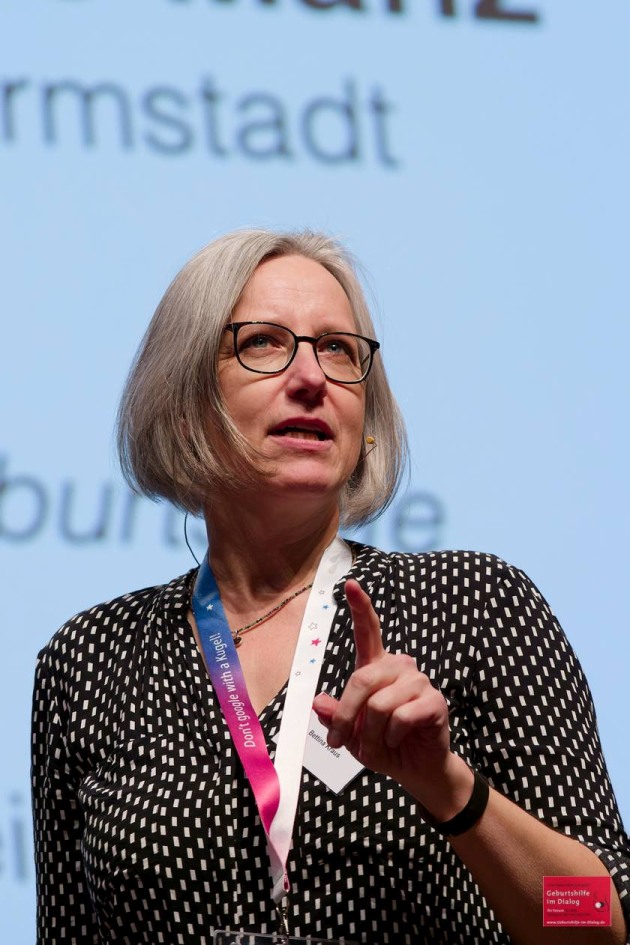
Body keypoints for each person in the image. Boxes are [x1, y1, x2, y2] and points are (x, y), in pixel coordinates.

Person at [32, 229, 630, 945]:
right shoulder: (87, 660)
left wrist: (448, 786)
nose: (312, 377)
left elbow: (602, 920)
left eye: (339, 350)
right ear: (187, 400)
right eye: (263, 343)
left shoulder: (473, 605)